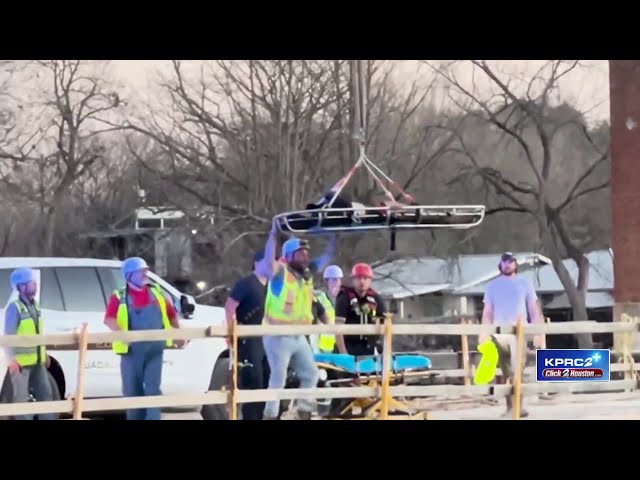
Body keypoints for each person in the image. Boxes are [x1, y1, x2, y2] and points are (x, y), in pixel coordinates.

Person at [257, 219, 336, 420]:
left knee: (311, 373)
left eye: (306, 253)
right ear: (288, 256)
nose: (305, 257)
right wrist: (273, 234)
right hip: (277, 336)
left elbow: (326, 257)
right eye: (300, 253)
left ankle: (304, 411)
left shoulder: (306, 276)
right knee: (278, 377)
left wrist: (334, 236)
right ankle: (270, 415)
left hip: (298, 336)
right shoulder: (279, 274)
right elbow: (268, 260)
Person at [103, 256, 184, 420]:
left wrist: (180, 334)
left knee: (153, 390)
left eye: (145, 270)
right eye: (141, 271)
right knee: (133, 392)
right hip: (132, 352)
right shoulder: (119, 296)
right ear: (129, 276)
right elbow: (109, 319)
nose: (145, 274)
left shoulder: (156, 293)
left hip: (155, 349)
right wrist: (121, 333)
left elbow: (171, 315)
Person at [481, 252, 545, 418]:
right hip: (499, 332)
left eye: (510, 262)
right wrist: (484, 332)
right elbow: (488, 312)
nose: (507, 265)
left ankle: (519, 406)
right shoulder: (491, 286)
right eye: (504, 262)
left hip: (519, 331)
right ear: (500, 265)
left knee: (518, 369)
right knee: (505, 370)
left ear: (515, 264)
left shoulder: (525, 284)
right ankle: (511, 406)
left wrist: (538, 332)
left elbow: (533, 309)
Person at [3, 268, 56, 420]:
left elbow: (37, 333)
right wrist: (11, 360)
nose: (35, 285)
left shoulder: (36, 306)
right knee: (21, 400)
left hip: (37, 362)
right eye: (31, 283)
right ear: (20, 287)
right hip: (21, 365)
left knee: (46, 395)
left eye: (34, 282)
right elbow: (8, 336)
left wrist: (43, 354)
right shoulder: (15, 308)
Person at [224, 250, 269, 420]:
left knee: (268, 380)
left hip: (268, 339)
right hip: (249, 340)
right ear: (257, 262)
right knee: (253, 381)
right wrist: (232, 334)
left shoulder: (272, 286)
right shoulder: (246, 284)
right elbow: (229, 307)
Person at [334, 263, 386, 357]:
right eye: (358, 278)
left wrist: (383, 350)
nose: (362, 281)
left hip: (369, 348)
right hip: (348, 346)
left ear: (370, 281)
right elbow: (338, 329)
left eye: (365, 278)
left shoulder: (376, 299)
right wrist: (343, 354)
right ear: (353, 280)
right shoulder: (344, 298)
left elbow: (385, 325)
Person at [310, 265, 343, 354]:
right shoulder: (320, 299)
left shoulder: (345, 300)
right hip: (324, 350)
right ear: (326, 281)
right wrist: (315, 350)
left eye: (339, 279)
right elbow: (314, 328)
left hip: (340, 347)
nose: (337, 283)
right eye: (334, 280)